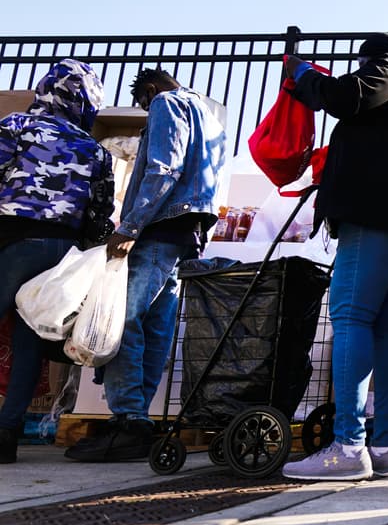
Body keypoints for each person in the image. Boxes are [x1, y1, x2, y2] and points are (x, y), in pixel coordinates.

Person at [280, 33, 388, 481]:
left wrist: (304, 75)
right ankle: (384, 446)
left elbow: (349, 96)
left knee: (351, 317)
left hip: (380, 210)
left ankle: (347, 446)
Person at [67, 68, 227, 462]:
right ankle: (136, 420)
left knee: (121, 319)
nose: (145, 110)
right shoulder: (207, 116)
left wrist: (131, 227)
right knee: (156, 325)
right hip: (186, 232)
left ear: (151, 90)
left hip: (159, 228)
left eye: (143, 103)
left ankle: (128, 418)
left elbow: (163, 168)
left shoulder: (166, 102)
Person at [0, 60, 116, 464]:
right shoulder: (95, 149)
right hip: (63, 252)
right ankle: (6, 433)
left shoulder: (17, 126)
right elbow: (101, 212)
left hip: (10, 240)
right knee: (29, 341)